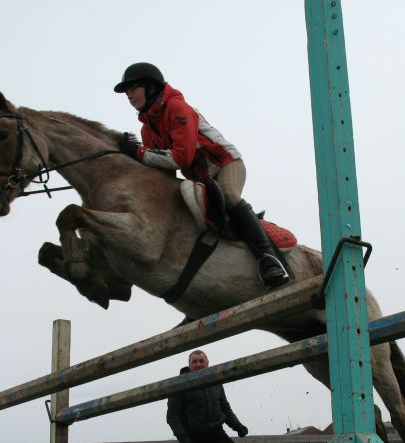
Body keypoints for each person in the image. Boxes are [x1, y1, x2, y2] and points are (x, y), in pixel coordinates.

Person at [113, 62, 290, 288]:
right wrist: (128, 162)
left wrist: (138, 152)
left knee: (229, 195)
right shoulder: (147, 130)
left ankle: (270, 260)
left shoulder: (177, 108)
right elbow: (163, 171)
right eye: (126, 90)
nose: (128, 94)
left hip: (225, 164)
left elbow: (181, 159)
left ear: (150, 87)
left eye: (133, 87)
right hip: (201, 181)